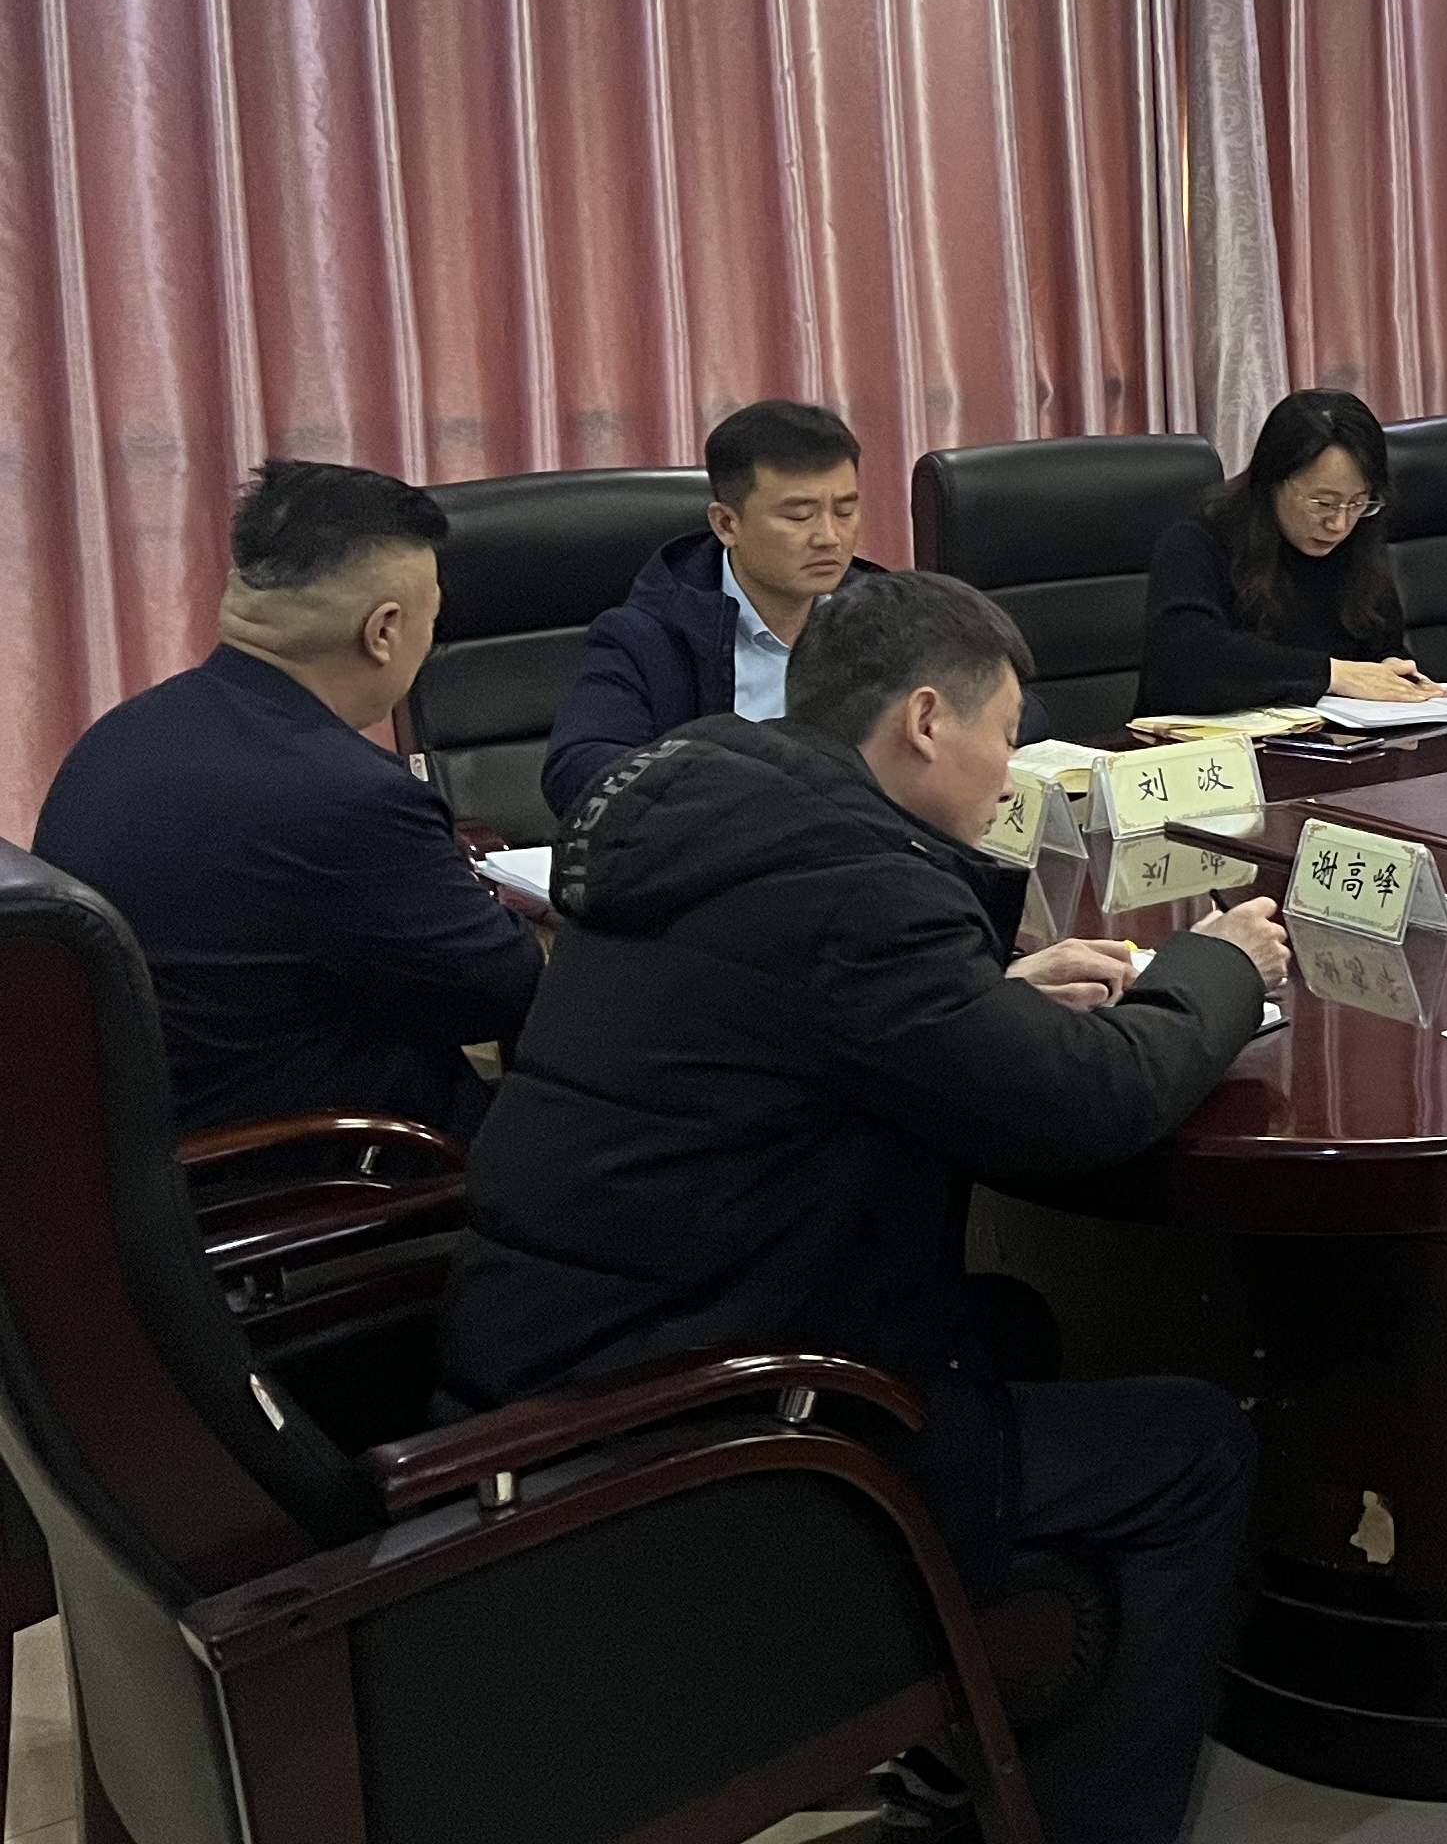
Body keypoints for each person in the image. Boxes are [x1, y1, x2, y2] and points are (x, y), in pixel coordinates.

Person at [441, 574, 1290, 1844]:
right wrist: (1215, 971)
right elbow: (1088, 1104)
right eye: (1007, 734)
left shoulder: (726, 814)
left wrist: (986, 998)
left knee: (1013, 1323)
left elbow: (794, 1015)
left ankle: (976, 1754)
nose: (1012, 773)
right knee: (1194, 1446)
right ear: (928, 721)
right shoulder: (856, 887)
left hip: (555, 1356)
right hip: (705, 1433)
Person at [35, 460, 542, 1138]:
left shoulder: (122, 735)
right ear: (384, 630)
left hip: (142, 1140)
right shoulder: (353, 798)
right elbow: (508, 995)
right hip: (324, 1160)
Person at [544, 397, 879, 814]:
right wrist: (738, 790)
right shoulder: (647, 635)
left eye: (845, 511)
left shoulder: (887, 620)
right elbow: (578, 770)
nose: (829, 537)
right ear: (726, 524)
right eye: (798, 516)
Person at [1139, 388, 1445, 714]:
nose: (1339, 524)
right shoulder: (1199, 540)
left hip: (1328, 738)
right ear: (1273, 480)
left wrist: (1393, 668)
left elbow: (1381, 642)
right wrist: (1330, 674)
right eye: (1323, 503)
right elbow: (1188, 658)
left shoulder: (1359, 539)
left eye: (1357, 503)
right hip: (1205, 740)